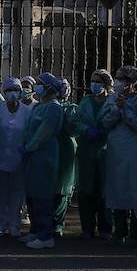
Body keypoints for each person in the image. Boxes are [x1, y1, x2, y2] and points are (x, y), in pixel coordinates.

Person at [100, 65, 137, 247]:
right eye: (116, 78)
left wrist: (126, 109)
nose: (117, 82)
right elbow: (105, 122)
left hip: (136, 151)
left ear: (131, 81)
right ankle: (120, 231)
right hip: (117, 151)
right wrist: (116, 109)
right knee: (117, 189)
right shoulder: (111, 100)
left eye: (121, 78)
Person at [19, 73, 66, 249]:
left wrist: (30, 147)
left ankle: (45, 235)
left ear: (49, 87)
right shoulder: (39, 106)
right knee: (31, 193)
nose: (36, 87)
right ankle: (35, 231)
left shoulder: (53, 107)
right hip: (32, 156)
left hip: (44, 155)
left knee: (42, 195)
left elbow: (45, 132)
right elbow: (29, 128)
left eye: (39, 84)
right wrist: (24, 145)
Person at [0, 77, 30, 238]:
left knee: (16, 194)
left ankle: (14, 224)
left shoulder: (27, 111)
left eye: (16, 90)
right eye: (10, 90)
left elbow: (30, 132)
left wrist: (26, 149)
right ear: (5, 93)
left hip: (19, 158)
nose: (14, 94)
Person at [74, 70, 113, 239]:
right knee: (86, 191)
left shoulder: (112, 101)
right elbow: (76, 121)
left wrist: (104, 131)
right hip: (87, 150)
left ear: (105, 84)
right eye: (92, 81)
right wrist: (85, 129)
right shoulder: (86, 100)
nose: (94, 84)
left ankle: (106, 228)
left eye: (97, 81)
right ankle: (87, 228)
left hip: (106, 150)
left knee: (104, 191)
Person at [53, 79, 79, 235]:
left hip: (66, 148)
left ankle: (57, 224)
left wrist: (67, 121)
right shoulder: (48, 106)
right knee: (49, 185)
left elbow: (75, 130)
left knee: (62, 188)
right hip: (50, 147)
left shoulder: (72, 109)